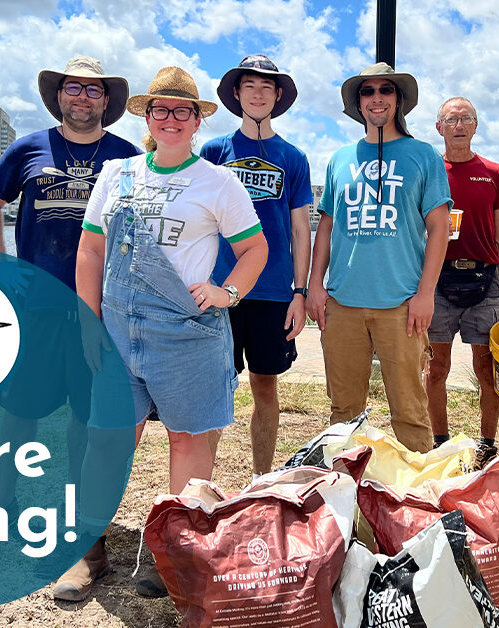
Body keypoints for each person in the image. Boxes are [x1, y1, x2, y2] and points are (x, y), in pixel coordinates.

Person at [76, 66, 268, 597]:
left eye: (183, 110)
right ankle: (86, 552)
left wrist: (227, 292)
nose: (171, 119)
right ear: (146, 116)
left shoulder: (218, 182)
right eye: (160, 109)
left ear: (197, 120)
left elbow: (255, 250)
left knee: (187, 439)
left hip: (186, 335)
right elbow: (92, 249)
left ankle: (174, 554)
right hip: (116, 327)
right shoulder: (116, 174)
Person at [0, 55, 141, 602]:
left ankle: (84, 544)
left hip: (98, 312)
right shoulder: (28, 148)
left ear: (106, 101)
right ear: (61, 95)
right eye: (75, 88)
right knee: (19, 409)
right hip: (37, 309)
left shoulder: (126, 158)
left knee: (85, 420)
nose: (84, 98)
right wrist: (0, 265)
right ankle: (3, 501)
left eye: (94, 91)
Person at [306, 63, 452, 453]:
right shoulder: (340, 159)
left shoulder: (423, 156)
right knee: (343, 413)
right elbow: (326, 228)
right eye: (367, 92)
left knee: (409, 412)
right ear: (358, 104)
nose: (376, 98)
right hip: (343, 305)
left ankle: (418, 503)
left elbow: (439, 228)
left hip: (401, 307)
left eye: (385, 90)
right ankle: (348, 494)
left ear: (398, 100)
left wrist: (426, 294)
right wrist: (314, 285)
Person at [201, 55, 313, 477]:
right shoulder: (214, 151)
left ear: (278, 95)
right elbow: (199, 222)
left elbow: (301, 230)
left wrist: (299, 293)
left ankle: (260, 479)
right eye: (249, 85)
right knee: (215, 391)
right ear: (236, 93)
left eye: (267, 87)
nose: (258, 93)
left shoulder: (293, 157)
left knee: (265, 386)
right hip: (221, 291)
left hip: (273, 294)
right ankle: (202, 482)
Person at [424, 96, 499, 467]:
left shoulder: (495, 173)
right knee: (436, 368)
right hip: (437, 282)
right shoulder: (428, 171)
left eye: (466, 118)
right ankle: (439, 442)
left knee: (487, 370)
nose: (459, 125)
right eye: (451, 120)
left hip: (485, 281)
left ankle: (487, 444)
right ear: (439, 128)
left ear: (476, 125)